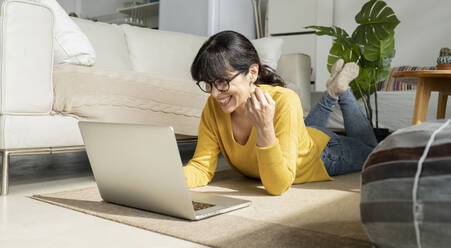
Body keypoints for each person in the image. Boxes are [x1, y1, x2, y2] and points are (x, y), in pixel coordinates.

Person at [183, 30, 378, 196]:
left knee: (374, 153)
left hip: (323, 153)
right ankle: (333, 91)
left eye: (222, 82)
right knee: (306, 128)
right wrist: (163, 178)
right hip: (300, 134)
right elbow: (201, 168)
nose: (215, 93)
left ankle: (342, 91)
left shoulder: (284, 100)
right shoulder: (214, 106)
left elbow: (278, 186)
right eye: (208, 84)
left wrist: (264, 127)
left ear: (252, 72)